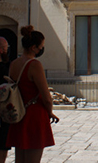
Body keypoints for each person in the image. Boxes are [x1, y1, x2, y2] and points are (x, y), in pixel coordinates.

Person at [6, 25, 59, 163]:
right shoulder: (34, 65)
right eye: (41, 46)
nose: (42, 49)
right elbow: (46, 96)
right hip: (34, 114)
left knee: (20, 158)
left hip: (19, 112)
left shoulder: (14, 63)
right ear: (34, 47)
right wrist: (50, 112)